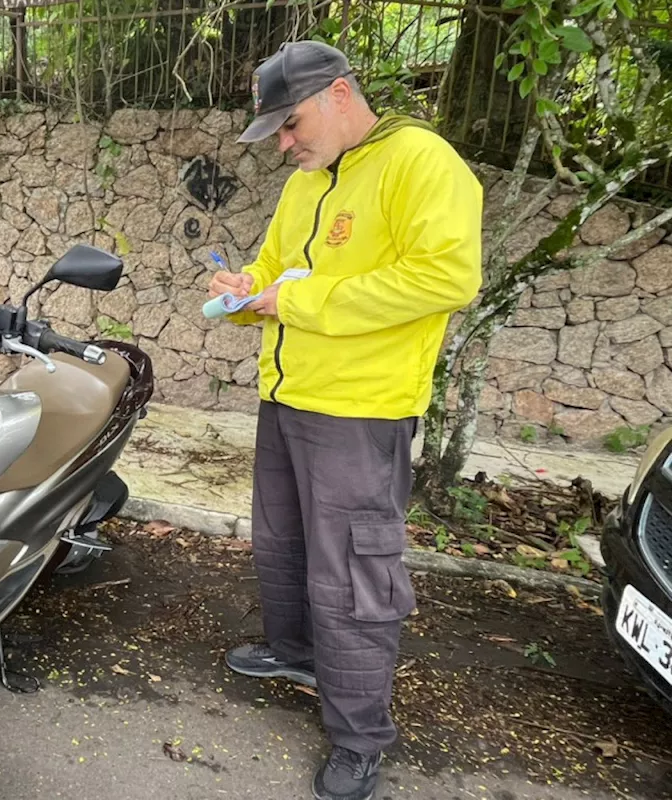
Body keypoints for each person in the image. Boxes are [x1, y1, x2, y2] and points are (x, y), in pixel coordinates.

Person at [207, 40, 483, 800]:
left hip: (361, 413)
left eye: (290, 126)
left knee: (355, 575)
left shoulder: (420, 162)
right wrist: (246, 290)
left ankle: (361, 737)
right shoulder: (307, 181)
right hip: (289, 397)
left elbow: (446, 276)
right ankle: (296, 653)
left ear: (337, 94)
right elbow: (276, 269)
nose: (285, 145)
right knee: (284, 546)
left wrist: (291, 301)